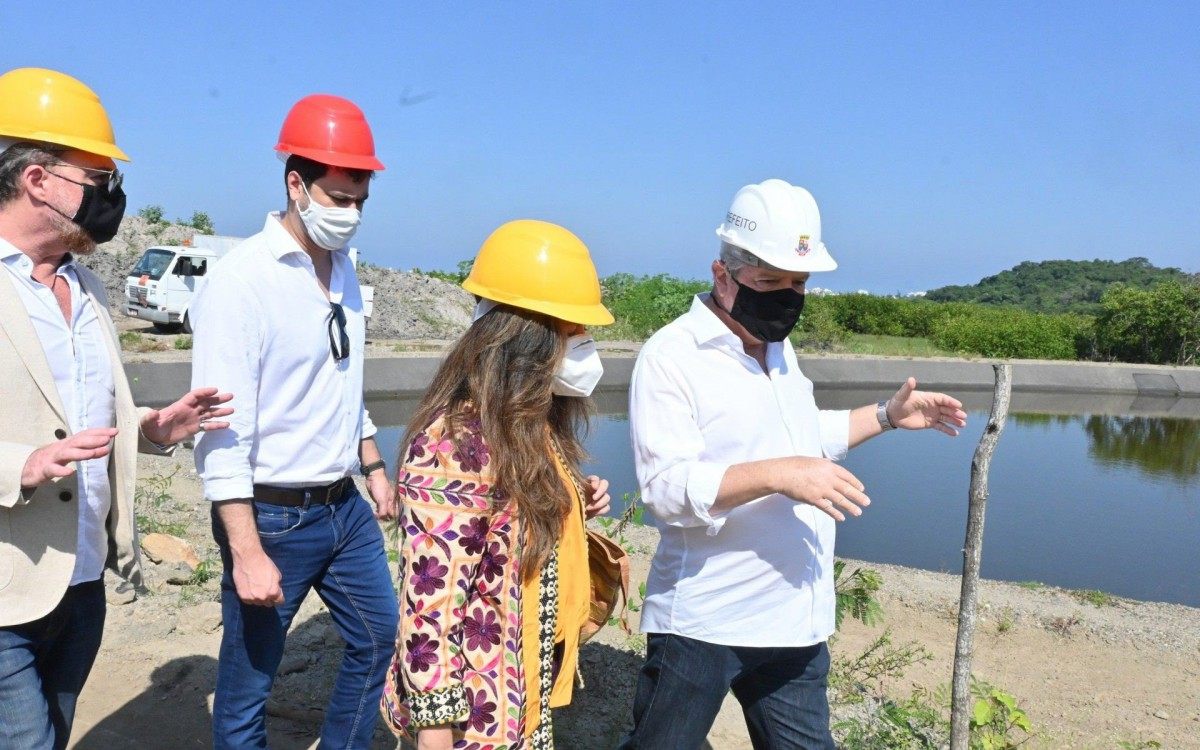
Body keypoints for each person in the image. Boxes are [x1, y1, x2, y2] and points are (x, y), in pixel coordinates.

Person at [620, 179, 969, 749]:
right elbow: (665, 489)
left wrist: (885, 414)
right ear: (721, 273)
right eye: (769, 282)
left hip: (793, 622)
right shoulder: (672, 357)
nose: (786, 296)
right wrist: (780, 474)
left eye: (798, 283)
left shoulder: (779, 349)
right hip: (705, 622)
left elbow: (803, 437)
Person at [0, 67, 233, 749]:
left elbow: (85, 416)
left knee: (56, 732)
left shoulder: (90, 288)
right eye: (98, 179)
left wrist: (154, 428)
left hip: (79, 581)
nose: (112, 196)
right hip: (6, 583)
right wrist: (26, 463)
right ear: (38, 178)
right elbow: (41, 445)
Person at [190, 94, 399, 749]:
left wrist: (372, 464)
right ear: (296, 184)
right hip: (273, 515)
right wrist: (247, 551)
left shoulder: (345, 272)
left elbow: (342, 383)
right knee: (251, 682)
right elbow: (221, 433)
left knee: (378, 635)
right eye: (339, 198)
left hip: (344, 507)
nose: (352, 213)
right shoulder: (241, 283)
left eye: (361, 199)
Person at [380, 220, 614, 750]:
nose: (587, 345)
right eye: (575, 331)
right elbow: (429, 618)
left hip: (520, 700)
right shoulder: (453, 445)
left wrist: (574, 501)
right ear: (526, 335)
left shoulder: (526, 423)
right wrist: (435, 740)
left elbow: (504, 530)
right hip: (474, 727)